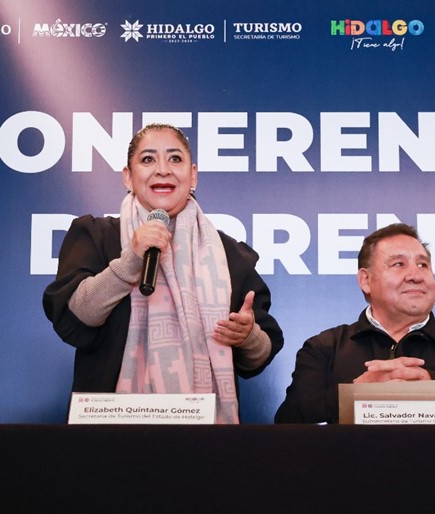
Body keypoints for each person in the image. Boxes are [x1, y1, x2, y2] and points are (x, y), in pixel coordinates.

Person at [43, 123, 283, 424]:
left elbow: (260, 355)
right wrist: (131, 260)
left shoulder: (230, 255)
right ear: (128, 177)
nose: (163, 170)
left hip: (204, 434)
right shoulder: (95, 235)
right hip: (110, 432)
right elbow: (74, 317)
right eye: (148, 159)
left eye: (175, 159)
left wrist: (248, 337)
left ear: (192, 175)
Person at [274, 222, 435, 424]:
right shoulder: (325, 347)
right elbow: (289, 420)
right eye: (399, 264)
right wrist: (356, 393)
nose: (415, 275)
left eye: (423, 265)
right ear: (366, 280)